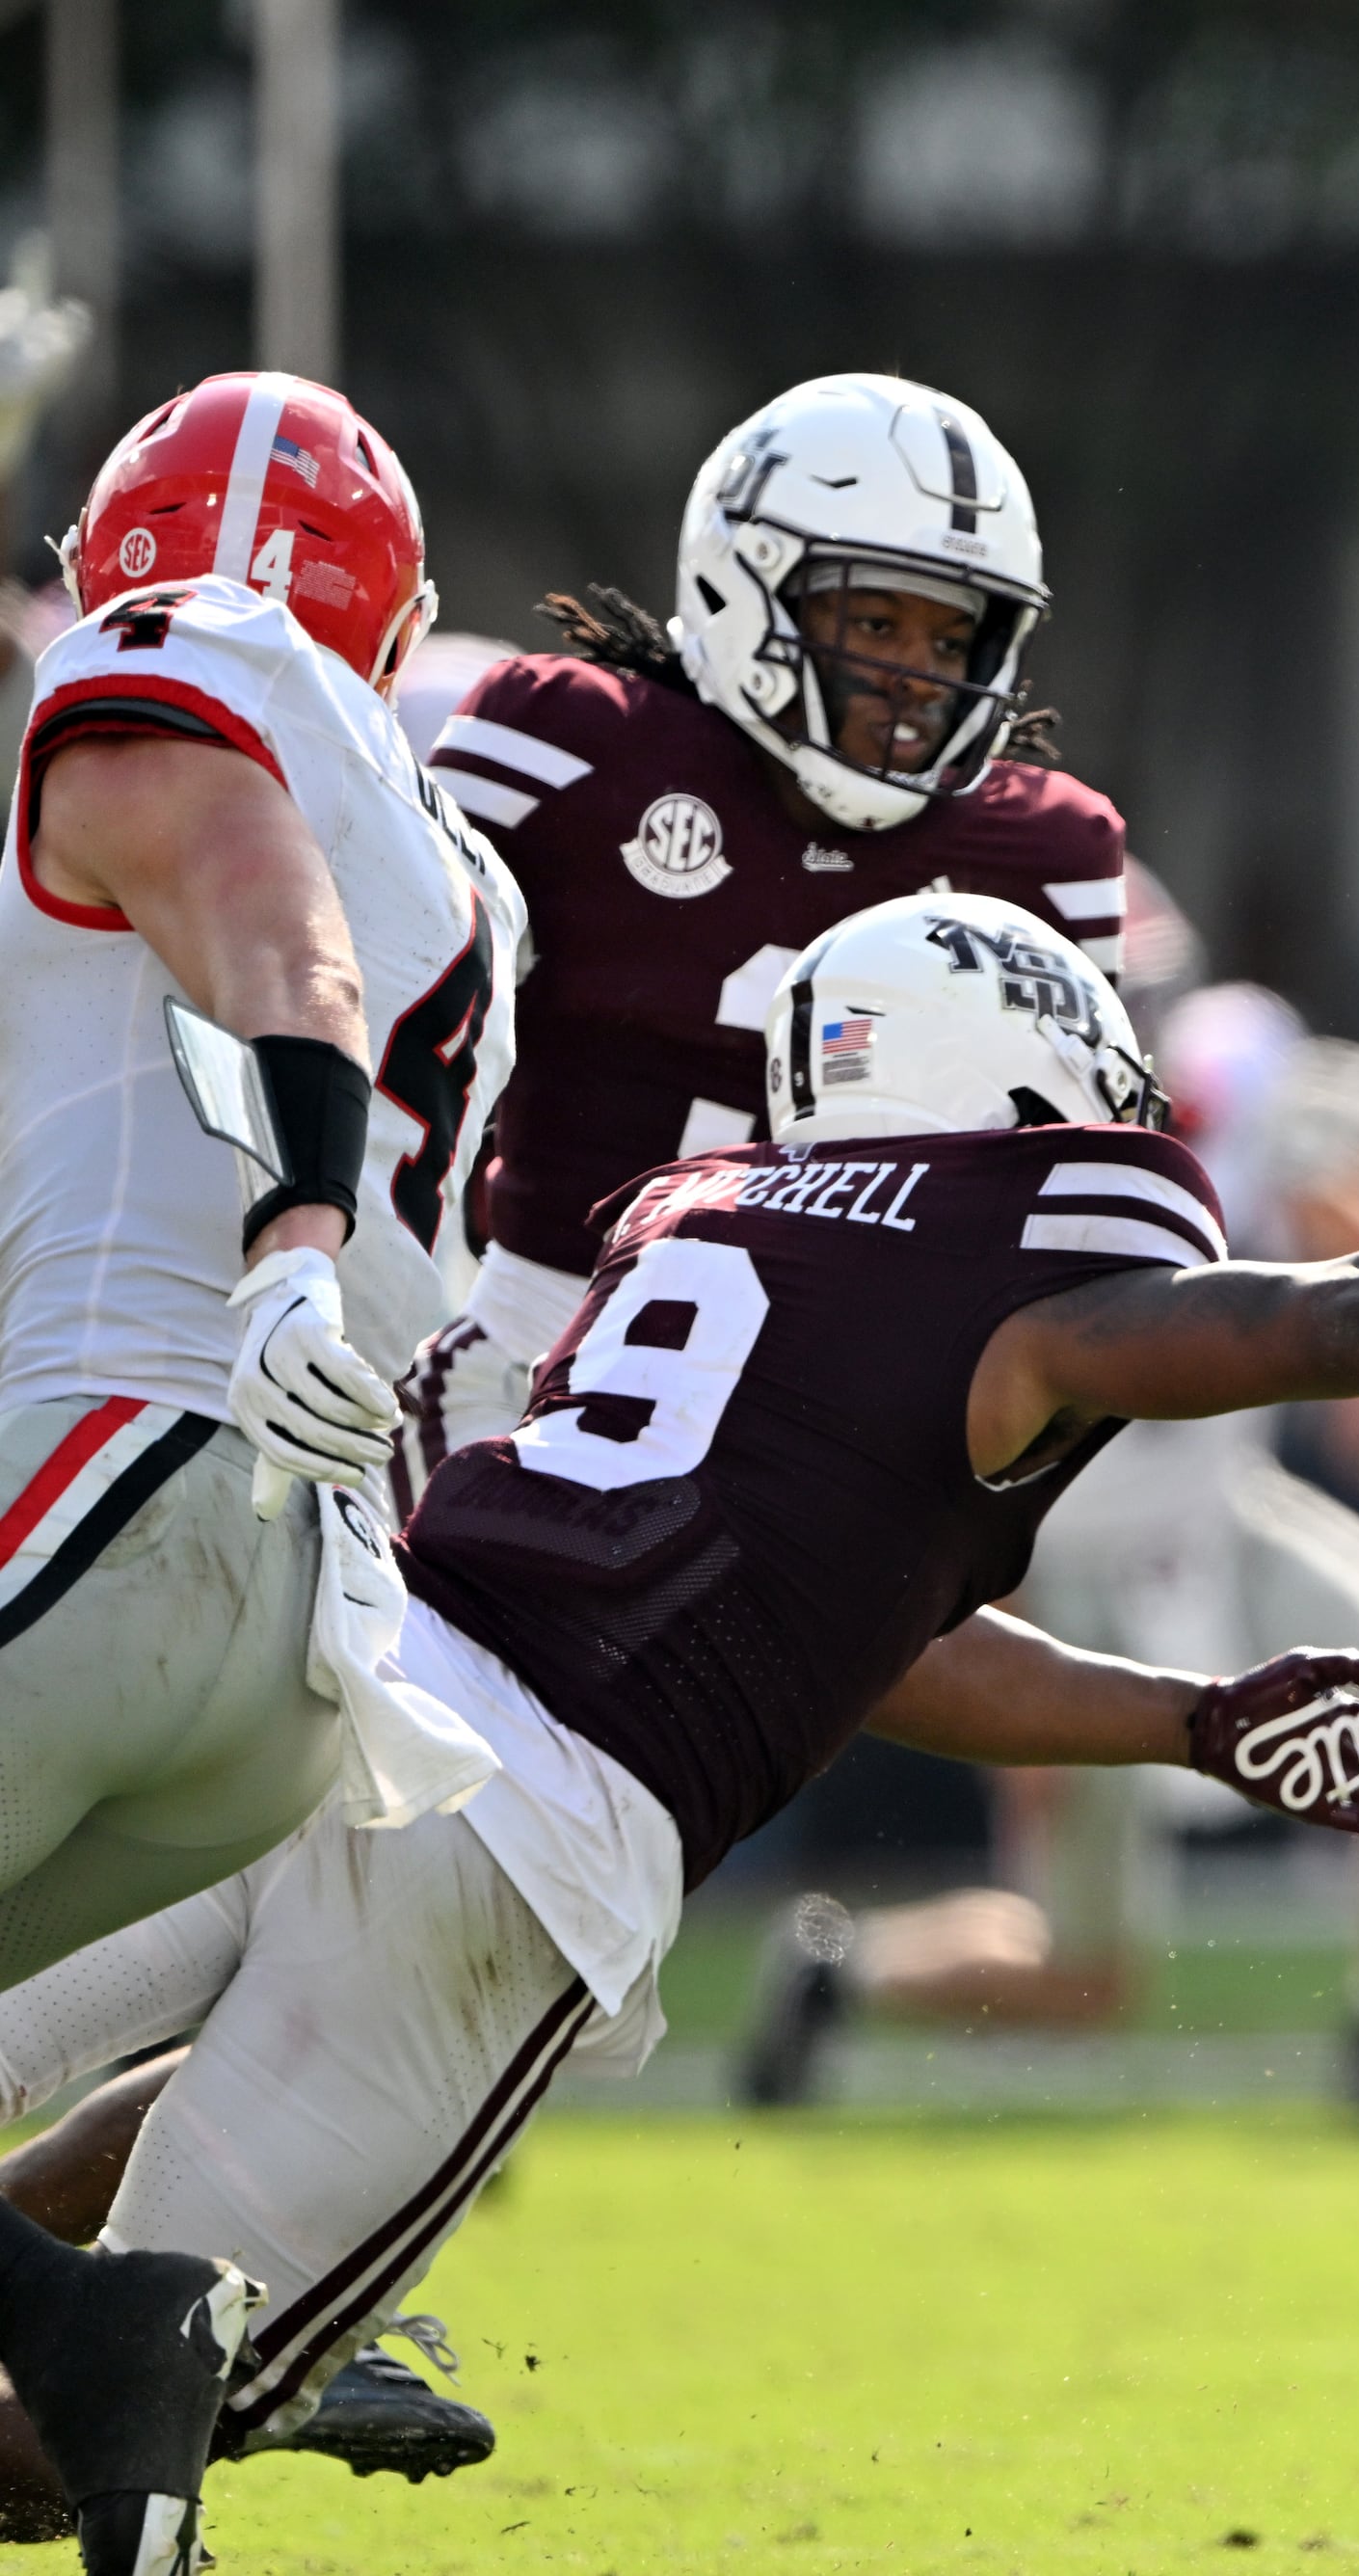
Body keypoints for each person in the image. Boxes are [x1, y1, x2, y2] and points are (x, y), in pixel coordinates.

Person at [0, 891, 1359, 2563]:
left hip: (312, 1712)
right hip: (513, 1843)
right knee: (91, 2420)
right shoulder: (1022, 1245)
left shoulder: (711, 1212)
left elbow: (859, 1636)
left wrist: (1190, 1717)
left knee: (62, 2195)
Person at [0, 370, 524, 2574]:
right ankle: (108, 2420)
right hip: (303, 1636)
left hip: (131, 1463)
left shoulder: (184, 653)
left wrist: (288, 1235)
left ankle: (106, 2336)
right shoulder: (458, 847)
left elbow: (259, 915)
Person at [738, 885, 1359, 2121]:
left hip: (1223, 1505)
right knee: (1084, 1972)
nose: (1129, 1023)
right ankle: (841, 1973)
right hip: (1054, 1546)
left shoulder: (1238, 1073)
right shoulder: (965, 1141)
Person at [399, 371, 1123, 1497]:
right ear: (748, 582)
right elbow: (391, 1036)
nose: (914, 678)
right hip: (526, 1385)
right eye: (875, 619)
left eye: (949, 638)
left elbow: (1057, 1228)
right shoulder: (572, 749)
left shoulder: (1042, 855)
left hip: (829, 1450)